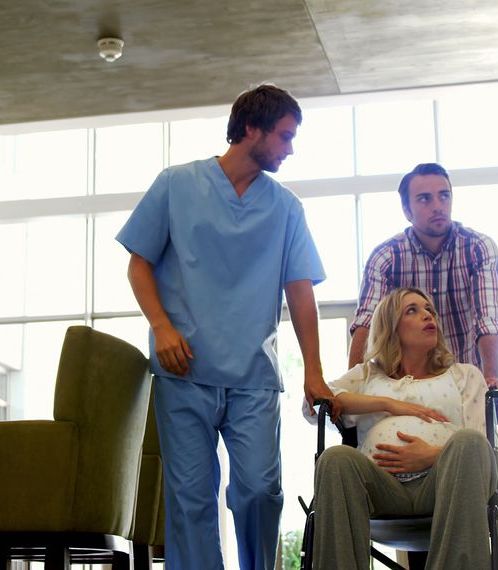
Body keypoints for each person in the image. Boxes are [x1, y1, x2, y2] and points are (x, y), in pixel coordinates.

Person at [115, 84, 337, 570]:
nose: (290, 148)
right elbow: (139, 264)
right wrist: (161, 326)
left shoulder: (286, 209)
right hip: (183, 370)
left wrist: (314, 372)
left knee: (259, 491)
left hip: (253, 378)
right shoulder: (175, 184)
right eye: (285, 136)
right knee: (191, 502)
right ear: (250, 129)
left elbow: (301, 293)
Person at [308, 287, 495, 569]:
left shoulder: (464, 375)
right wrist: (388, 404)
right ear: (391, 327)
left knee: (468, 442)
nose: (427, 315)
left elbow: (481, 446)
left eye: (429, 310)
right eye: (412, 310)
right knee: (335, 459)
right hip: (382, 489)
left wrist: (433, 455)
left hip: (444, 483)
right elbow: (315, 403)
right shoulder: (367, 375)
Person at [347, 163, 498, 392]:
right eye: (424, 199)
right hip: (403, 387)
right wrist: (354, 387)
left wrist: (492, 380)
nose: (438, 206)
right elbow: (367, 324)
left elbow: (487, 318)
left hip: (466, 383)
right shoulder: (386, 257)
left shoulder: (478, 247)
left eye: (444, 196)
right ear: (407, 210)